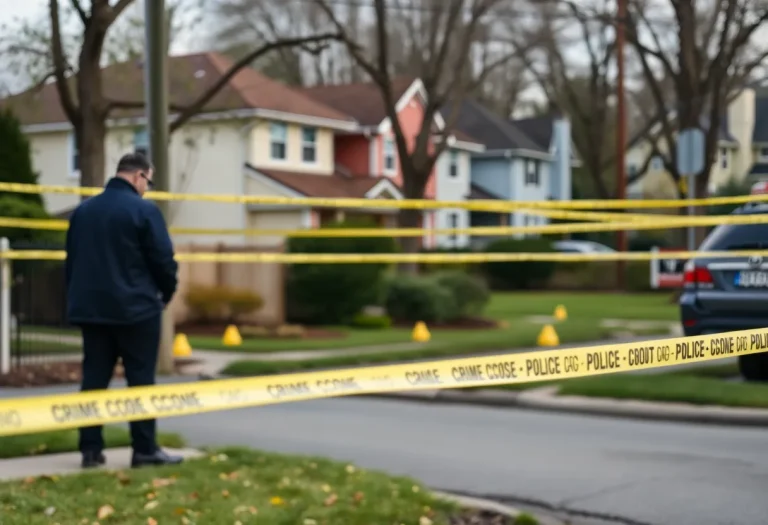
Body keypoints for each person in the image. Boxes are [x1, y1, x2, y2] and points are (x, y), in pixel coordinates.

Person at [65, 152, 182, 469]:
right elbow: (163, 260)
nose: (148, 188)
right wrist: (166, 293)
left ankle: (90, 449)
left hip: (92, 310)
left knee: (93, 380)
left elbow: (72, 261)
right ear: (139, 176)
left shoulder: (83, 211)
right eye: (149, 181)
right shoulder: (144, 211)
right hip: (137, 311)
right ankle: (144, 449)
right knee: (140, 380)